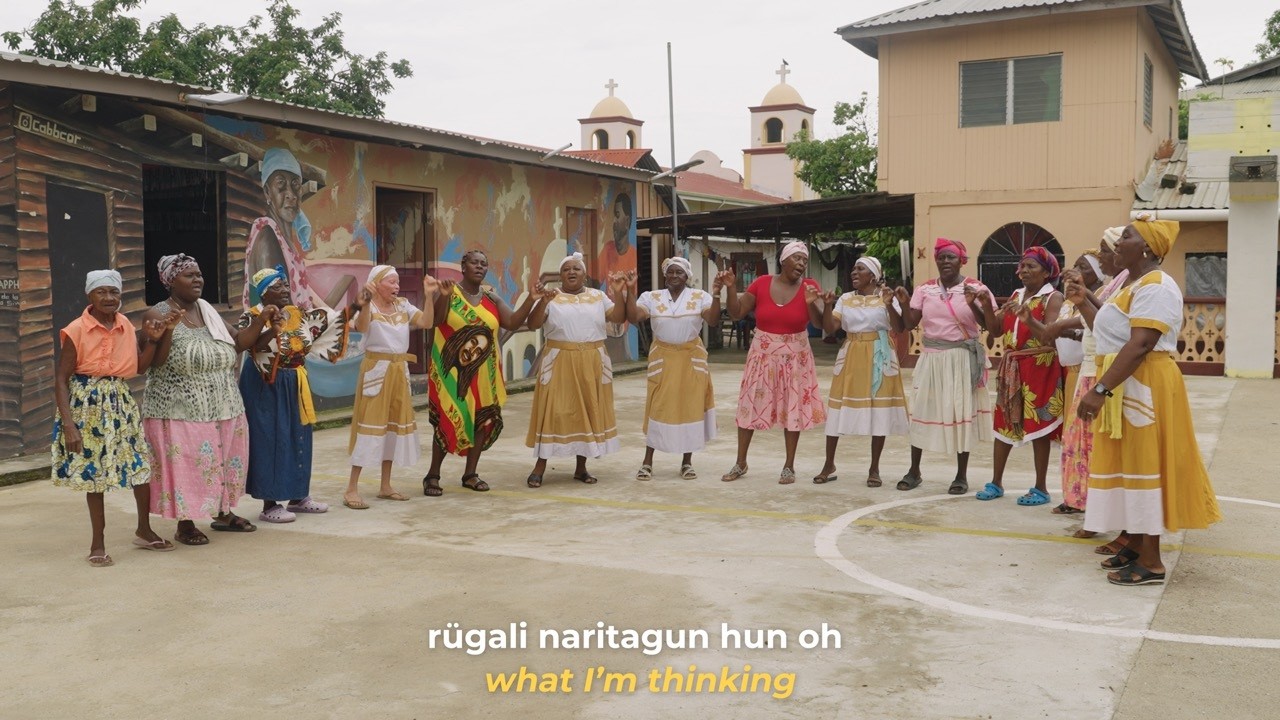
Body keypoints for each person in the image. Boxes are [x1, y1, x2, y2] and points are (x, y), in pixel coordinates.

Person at [1074, 217, 1220, 586]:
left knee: (1145, 465)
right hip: (1127, 380)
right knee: (1129, 464)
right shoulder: (1132, 284)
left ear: (1147, 248)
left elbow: (1140, 344)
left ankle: (1152, 562)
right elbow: (1111, 333)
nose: (1116, 243)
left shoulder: (1157, 285)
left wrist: (1099, 389)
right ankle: (1136, 545)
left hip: (1144, 382)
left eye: (1125, 237)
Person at [142, 254, 276, 545]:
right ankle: (185, 523)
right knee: (189, 465)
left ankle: (222, 512)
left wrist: (263, 320)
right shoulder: (157, 314)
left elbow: (239, 342)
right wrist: (168, 329)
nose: (197, 279)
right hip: (179, 409)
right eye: (189, 275)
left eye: (199, 274)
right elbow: (158, 362)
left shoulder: (207, 310)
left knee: (222, 462)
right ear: (170, 281)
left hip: (223, 404)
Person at [53, 270, 179, 566]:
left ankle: (144, 529)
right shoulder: (76, 330)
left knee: (140, 466)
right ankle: (98, 544)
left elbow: (139, 367)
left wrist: (154, 340)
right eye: (102, 292)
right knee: (95, 475)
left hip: (121, 402)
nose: (110, 298)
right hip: (88, 406)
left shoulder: (124, 324)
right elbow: (61, 379)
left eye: (115, 293)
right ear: (90, 296)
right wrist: (69, 425)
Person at [237, 265, 361, 523]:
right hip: (264, 384)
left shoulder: (298, 314)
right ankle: (269, 503)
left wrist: (357, 306)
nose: (284, 290)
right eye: (277, 286)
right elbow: (249, 345)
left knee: (298, 436)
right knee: (269, 438)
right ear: (263, 293)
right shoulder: (252, 316)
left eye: (284, 285)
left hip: (295, 381)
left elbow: (329, 324)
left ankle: (298, 496)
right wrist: (272, 327)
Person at [422, 250, 539, 495]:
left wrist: (531, 299)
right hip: (451, 371)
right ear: (463, 266)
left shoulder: (491, 299)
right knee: (448, 418)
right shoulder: (449, 292)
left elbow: (514, 322)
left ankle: (470, 474)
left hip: (485, 372)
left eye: (484, 264)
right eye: (474, 262)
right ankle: (433, 475)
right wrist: (442, 295)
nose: (480, 267)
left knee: (480, 420)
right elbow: (437, 320)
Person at [893, 238, 998, 494]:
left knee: (961, 412)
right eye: (941, 257)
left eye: (951, 257)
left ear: (961, 260)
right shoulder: (925, 289)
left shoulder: (976, 287)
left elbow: (990, 326)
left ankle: (960, 476)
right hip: (931, 358)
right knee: (921, 409)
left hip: (962, 358)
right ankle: (914, 471)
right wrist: (905, 302)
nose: (945, 261)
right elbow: (909, 323)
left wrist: (974, 301)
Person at [720, 240, 827, 485]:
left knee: (793, 409)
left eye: (804, 260)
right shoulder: (761, 283)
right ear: (783, 259)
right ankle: (741, 462)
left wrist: (813, 303)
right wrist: (731, 287)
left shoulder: (809, 286)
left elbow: (821, 325)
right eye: (797, 258)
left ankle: (789, 466)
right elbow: (736, 313)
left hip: (796, 357)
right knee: (749, 405)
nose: (801, 263)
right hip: (762, 355)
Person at [524, 252, 628, 487]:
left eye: (576, 269)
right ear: (560, 276)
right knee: (553, 412)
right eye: (566, 269)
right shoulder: (552, 296)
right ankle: (539, 467)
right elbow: (533, 324)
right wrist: (543, 302)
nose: (571, 272)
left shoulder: (598, 296)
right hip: (560, 360)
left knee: (588, 412)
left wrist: (620, 292)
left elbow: (618, 317)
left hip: (593, 361)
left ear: (584, 275)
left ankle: (581, 468)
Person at [974, 246, 1066, 505]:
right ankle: (996, 482)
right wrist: (982, 305)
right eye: (1022, 266)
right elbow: (994, 331)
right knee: (1003, 423)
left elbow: (1048, 336)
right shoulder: (1017, 295)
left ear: (1047, 272)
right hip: (1013, 365)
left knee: (1038, 426)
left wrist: (1026, 319)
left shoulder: (1053, 298)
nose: (1024, 270)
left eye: (1031, 266)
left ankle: (1041, 487)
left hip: (1040, 364)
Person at [343, 265, 438, 509]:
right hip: (377, 371)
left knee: (392, 428)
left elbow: (427, 322)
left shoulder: (403, 306)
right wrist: (364, 304)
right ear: (376, 284)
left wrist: (428, 295)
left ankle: (385, 485)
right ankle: (351, 488)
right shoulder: (370, 307)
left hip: (398, 372)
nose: (397, 287)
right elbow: (362, 328)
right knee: (369, 428)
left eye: (397, 282)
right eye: (391, 282)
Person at [623, 256, 721, 480]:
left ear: (687, 277)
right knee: (658, 407)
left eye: (679, 272)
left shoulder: (699, 297)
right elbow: (634, 316)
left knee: (691, 407)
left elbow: (713, 319)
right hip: (663, 359)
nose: (674, 276)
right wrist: (629, 291)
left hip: (691, 359)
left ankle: (687, 462)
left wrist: (716, 294)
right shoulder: (652, 297)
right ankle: (647, 462)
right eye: (670, 272)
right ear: (665, 275)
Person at [816, 256, 910, 486]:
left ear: (873, 276)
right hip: (851, 354)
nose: (854, 273)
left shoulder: (885, 297)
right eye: (854, 269)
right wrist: (827, 305)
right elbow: (830, 328)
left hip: (880, 355)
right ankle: (829, 464)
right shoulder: (846, 299)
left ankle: (874, 468)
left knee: (878, 410)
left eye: (860, 269)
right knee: (838, 408)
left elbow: (899, 327)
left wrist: (889, 304)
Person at [1040, 243, 1115, 520]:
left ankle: (1092, 502)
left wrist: (1061, 326)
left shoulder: (1101, 297)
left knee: (1090, 441)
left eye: (1085, 267)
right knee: (1074, 440)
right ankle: (1075, 496)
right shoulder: (1075, 299)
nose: (1077, 271)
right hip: (1076, 371)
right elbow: (1056, 331)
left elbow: (1092, 328)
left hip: (1095, 371)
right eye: (1077, 265)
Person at [244, 147, 344, 310]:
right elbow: (277, 303)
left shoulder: (282, 237)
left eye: (295, 184)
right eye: (281, 184)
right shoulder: (267, 235)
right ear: (268, 192)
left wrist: (328, 313)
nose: (290, 194)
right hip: (277, 331)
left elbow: (303, 288)